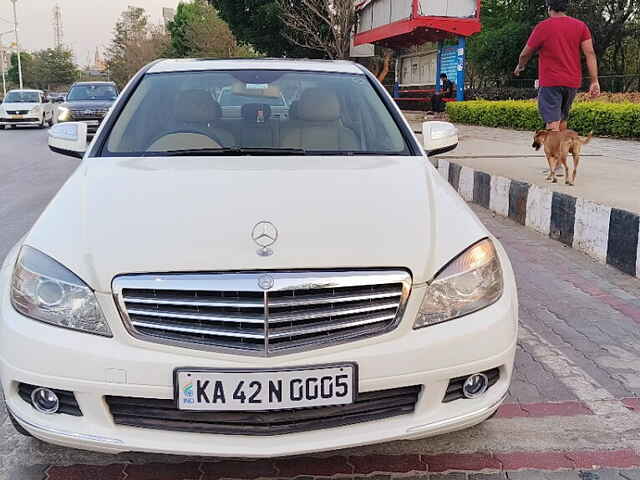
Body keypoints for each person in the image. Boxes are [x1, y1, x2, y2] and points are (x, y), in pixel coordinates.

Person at [514, 0, 600, 132]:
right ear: (566, 7)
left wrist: (520, 66)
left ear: (549, 7)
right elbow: (590, 53)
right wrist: (594, 81)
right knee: (562, 120)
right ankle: (561, 152)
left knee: (553, 123)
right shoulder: (580, 26)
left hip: (551, 81)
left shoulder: (543, 27)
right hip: (572, 82)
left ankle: (554, 153)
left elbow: (525, 54)